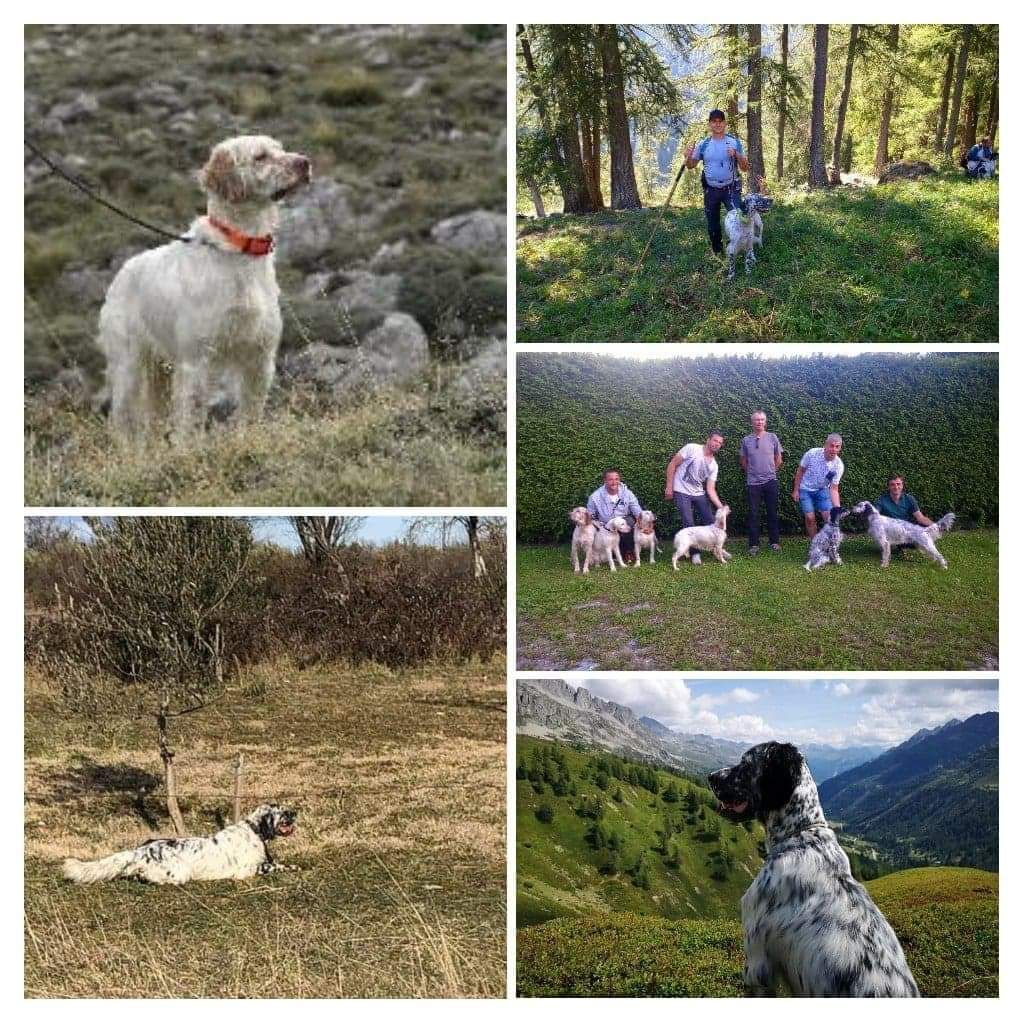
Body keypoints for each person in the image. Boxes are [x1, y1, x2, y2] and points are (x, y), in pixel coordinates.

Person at [685, 109, 750, 257]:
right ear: (710, 124)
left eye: (720, 121)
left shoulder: (733, 142)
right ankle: (718, 251)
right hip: (711, 189)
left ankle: (740, 246)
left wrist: (737, 154)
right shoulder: (704, 144)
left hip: (731, 187)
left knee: (739, 218)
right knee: (713, 223)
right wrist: (688, 156)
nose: (718, 124)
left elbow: (745, 167)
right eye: (714, 121)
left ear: (725, 123)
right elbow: (691, 165)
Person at [664, 430, 726, 563]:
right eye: (715, 440)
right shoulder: (692, 448)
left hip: (698, 493)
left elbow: (710, 490)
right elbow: (672, 464)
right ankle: (695, 554)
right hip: (681, 490)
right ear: (708, 440)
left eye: (720, 443)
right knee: (689, 522)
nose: (717, 444)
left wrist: (721, 507)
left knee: (711, 520)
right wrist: (669, 487)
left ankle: (717, 549)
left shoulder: (714, 465)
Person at [739, 410, 783, 555]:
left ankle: (774, 542)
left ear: (765, 422)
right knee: (753, 514)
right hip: (753, 483)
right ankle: (754, 545)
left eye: (762, 419)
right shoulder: (746, 440)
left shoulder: (772, 437)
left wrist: (771, 472)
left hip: (771, 481)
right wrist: (752, 473)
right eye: (757, 420)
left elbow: (778, 458)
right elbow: (743, 461)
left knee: (772, 512)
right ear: (752, 422)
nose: (759, 422)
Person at [792, 434, 844, 538]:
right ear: (825, 445)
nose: (833, 449)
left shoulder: (838, 465)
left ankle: (829, 546)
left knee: (830, 518)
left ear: (840, 448)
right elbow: (800, 471)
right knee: (810, 518)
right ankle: (814, 544)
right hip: (805, 489)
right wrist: (796, 490)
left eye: (837, 446)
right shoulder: (812, 453)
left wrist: (837, 508)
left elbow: (834, 489)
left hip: (822, 490)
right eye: (831, 445)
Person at [587, 470, 643, 565]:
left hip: (623, 521)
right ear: (605, 480)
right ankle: (604, 552)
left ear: (619, 480)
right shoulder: (595, 496)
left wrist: (642, 522)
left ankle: (628, 552)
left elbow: (637, 510)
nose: (614, 482)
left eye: (616, 479)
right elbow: (589, 516)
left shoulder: (627, 493)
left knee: (629, 522)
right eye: (610, 479)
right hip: (605, 525)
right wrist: (596, 527)